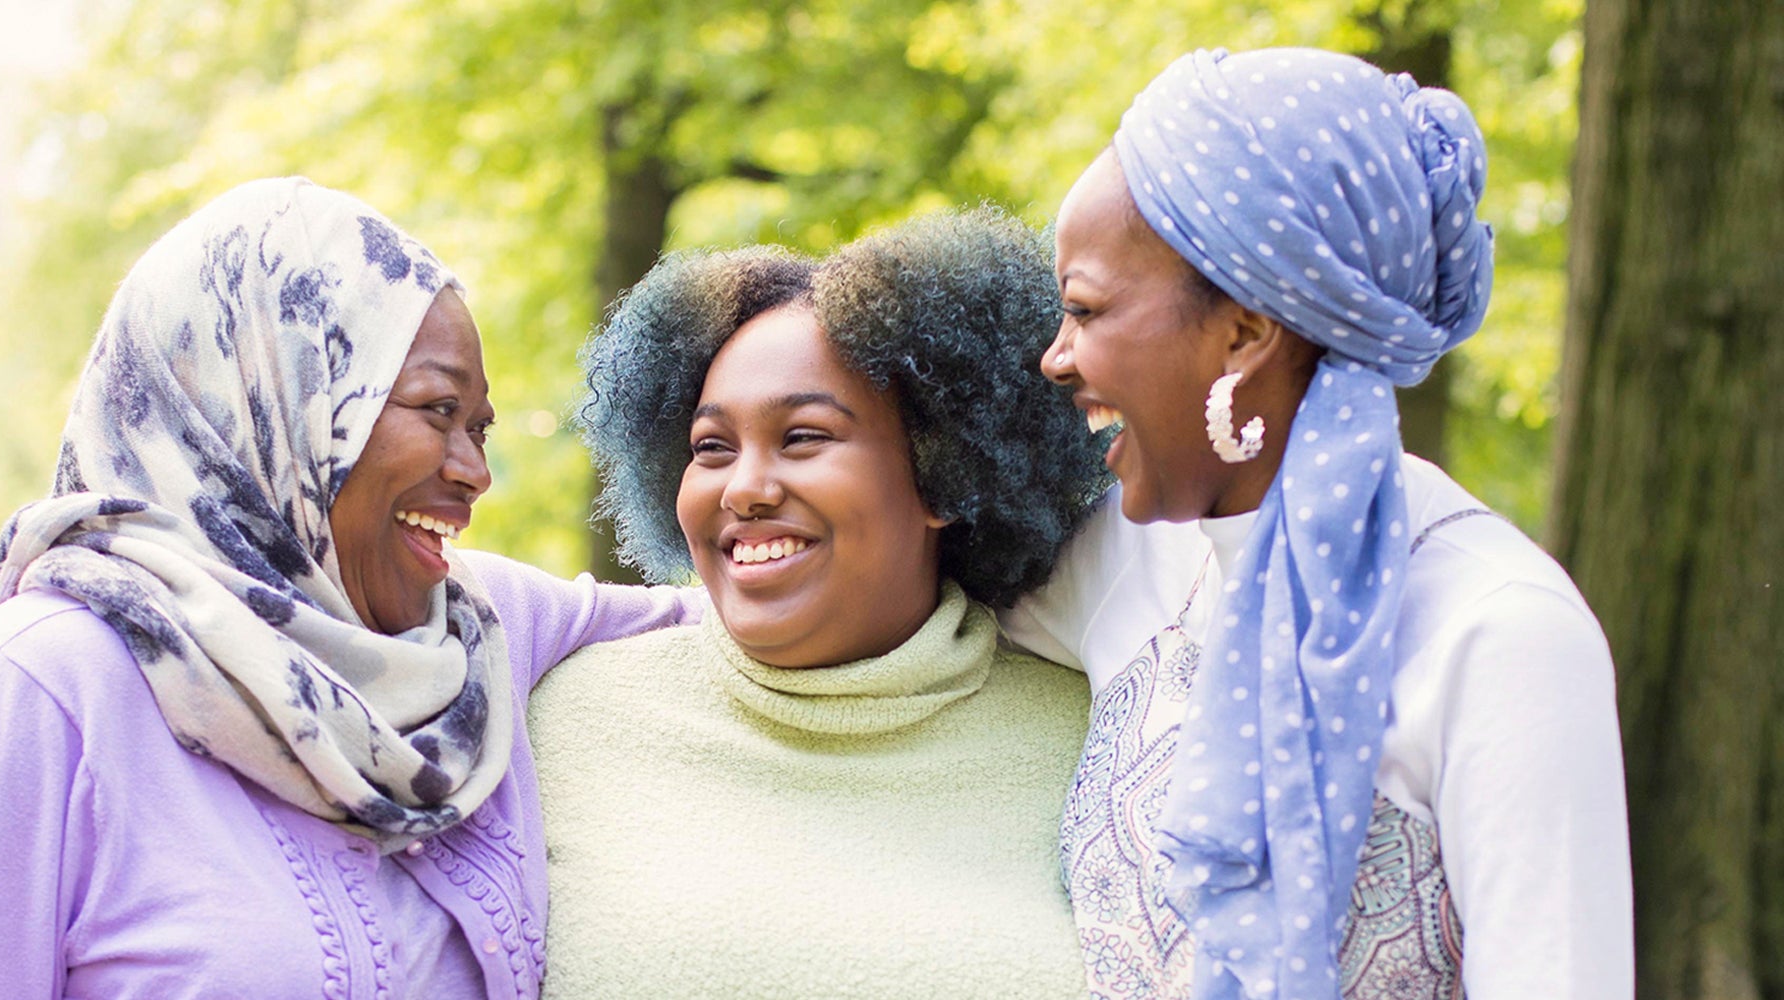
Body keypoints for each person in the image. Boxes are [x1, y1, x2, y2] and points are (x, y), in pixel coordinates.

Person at [0, 178, 696, 1000]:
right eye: (437, 410)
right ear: (278, 403)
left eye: (481, 429)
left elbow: (752, 619)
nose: (475, 473)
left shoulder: (480, 635)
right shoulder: (38, 693)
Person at [1001, 48, 1632, 999]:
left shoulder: (1503, 635)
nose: (1056, 357)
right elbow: (881, 605)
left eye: (1086, 309)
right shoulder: (1122, 556)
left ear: (1246, 334)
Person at [529, 209, 1109, 997]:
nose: (745, 488)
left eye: (803, 437)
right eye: (711, 448)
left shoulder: (1094, 739)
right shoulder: (566, 721)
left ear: (944, 474)